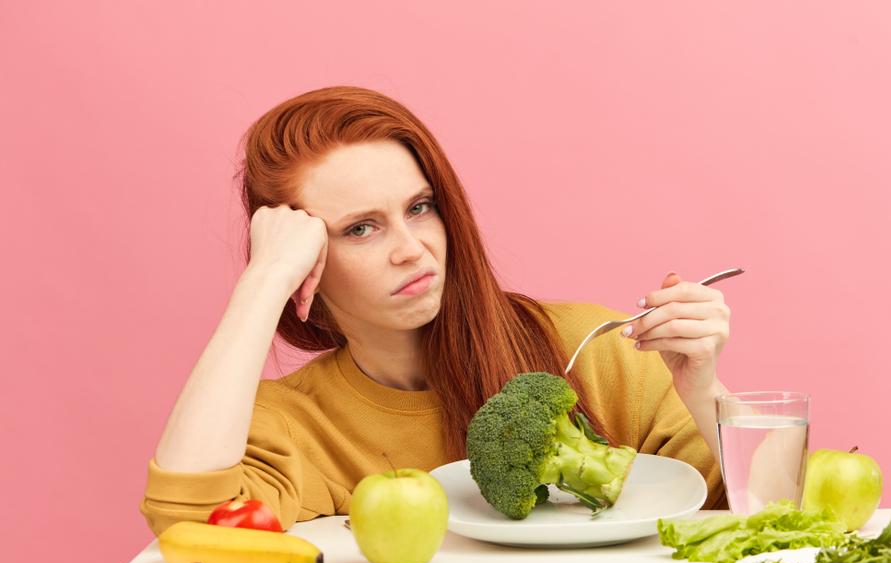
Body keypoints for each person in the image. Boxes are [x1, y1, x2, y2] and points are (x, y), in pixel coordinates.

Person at [139, 85, 734, 537]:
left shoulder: (598, 347)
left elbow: (786, 514)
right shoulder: (299, 423)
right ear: (308, 263)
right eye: (361, 228)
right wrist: (262, 281)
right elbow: (188, 520)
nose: (411, 249)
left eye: (420, 207)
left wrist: (705, 390)